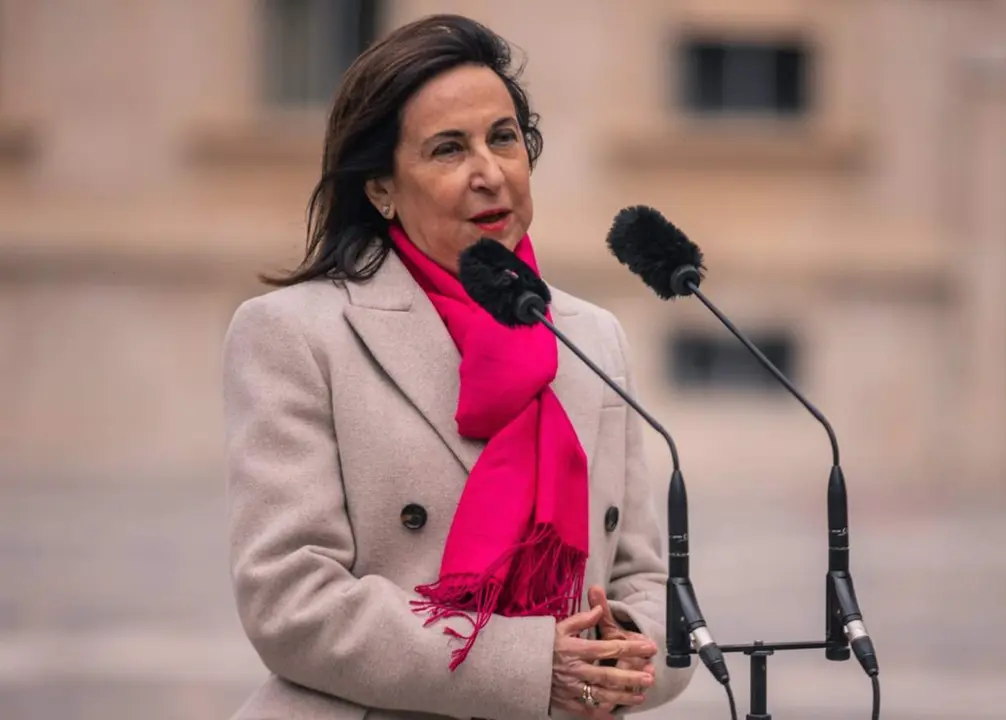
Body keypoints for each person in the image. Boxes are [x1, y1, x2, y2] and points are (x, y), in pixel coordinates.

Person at [221, 12, 696, 720]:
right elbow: (290, 598)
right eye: (448, 149)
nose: (489, 173)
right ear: (381, 187)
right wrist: (531, 667)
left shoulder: (592, 338)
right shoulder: (295, 334)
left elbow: (646, 581)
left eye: (504, 138)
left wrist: (614, 659)